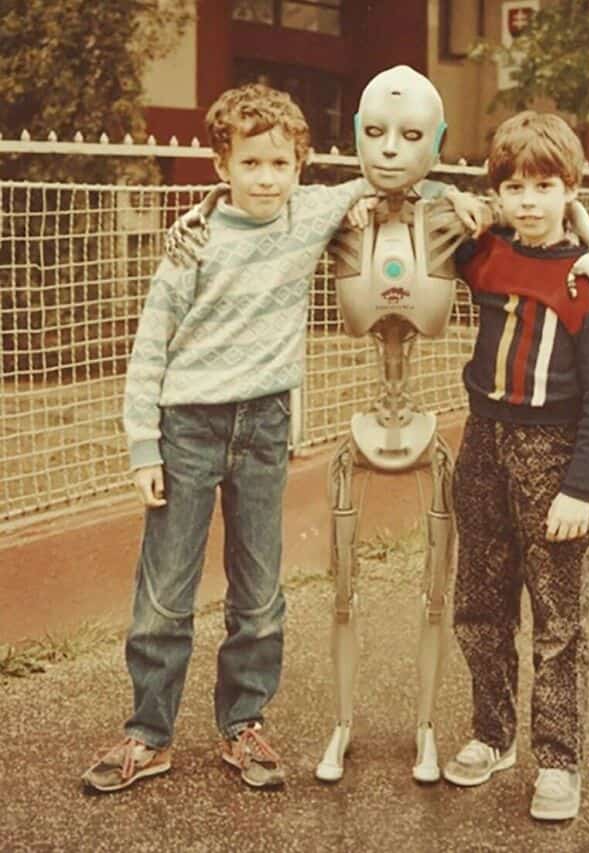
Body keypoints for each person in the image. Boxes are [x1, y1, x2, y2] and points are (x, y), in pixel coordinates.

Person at [81, 83, 373, 793]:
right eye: (251, 163)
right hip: (187, 426)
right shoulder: (195, 240)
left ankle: (244, 724)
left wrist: (385, 202)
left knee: (259, 589)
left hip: (264, 424)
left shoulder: (308, 213)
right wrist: (143, 445)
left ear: (300, 165)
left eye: (280, 164)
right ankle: (149, 733)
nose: (267, 178)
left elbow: (392, 177)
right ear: (222, 166)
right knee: (165, 590)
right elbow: (150, 344)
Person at [442, 111, 589, 821]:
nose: (527, 201)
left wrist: (579, 489)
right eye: (513, 187)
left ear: (570, 188)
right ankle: (493, 735)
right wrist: (466, 203)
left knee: (558, 619)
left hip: (552, 453)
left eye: (544, 187)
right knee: (479, 605)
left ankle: (558, 759)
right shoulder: (486, 253)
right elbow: (423, 206)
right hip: (484, 442)